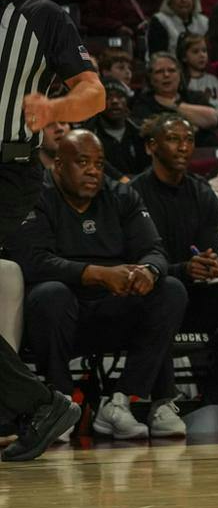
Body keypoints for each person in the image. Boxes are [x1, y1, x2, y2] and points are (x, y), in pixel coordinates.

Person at [20, 129, 187, 441]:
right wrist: (96, 273)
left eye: (98, 163)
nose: (93, 170)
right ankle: (62, 405)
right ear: (58, 165)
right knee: (50, 294)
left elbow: (155, 250)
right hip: (60, 313)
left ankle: (122, 401)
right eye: (82, 162)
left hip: (113, 306)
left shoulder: (121, 195)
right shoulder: (36, 195)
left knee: (171, 289)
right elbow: (34, 261)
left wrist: (149, 271)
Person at [130, 116, 218, 434]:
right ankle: (162, 403)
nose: (183, 146)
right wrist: (182, 269)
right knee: (167, 291)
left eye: (189, 139)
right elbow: (138, 260)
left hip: (196, 294)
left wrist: (211, 263)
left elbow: (210, 249)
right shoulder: (134, 193)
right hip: (152, 296)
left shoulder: (202, 192)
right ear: (152, 146)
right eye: (174, 139)